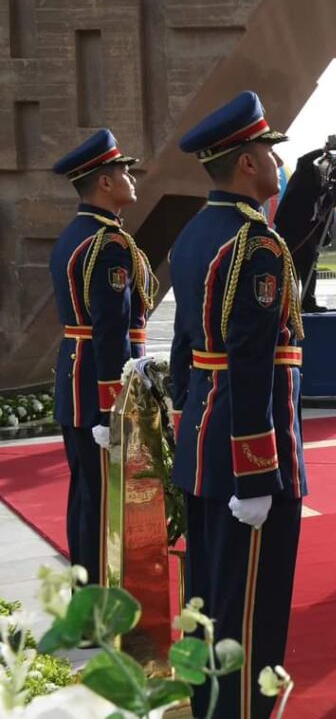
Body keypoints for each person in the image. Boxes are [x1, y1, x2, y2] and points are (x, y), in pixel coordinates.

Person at [170, 91, 306, 719]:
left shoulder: (194, 233)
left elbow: (183, 347)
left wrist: (181, 419)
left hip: (204, 437)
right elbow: (251, 361)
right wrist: (258, 473)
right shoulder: (255, 244)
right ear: (247, 162)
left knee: (208, 588)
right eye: (269, 152)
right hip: (244, 450)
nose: (277, 163)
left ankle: (206, 702)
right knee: (250, 600)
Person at [50, 129, 156, 587]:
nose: (132, 177)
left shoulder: (76, 233)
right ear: (104, 183)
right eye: (123, 171)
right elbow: (111, 330)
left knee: (87, 496)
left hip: (76, 376)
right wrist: (112, 406)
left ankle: (86, 596)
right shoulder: (108, 243)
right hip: (98, 384)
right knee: (102, 500)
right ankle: (98, 605)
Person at [273, 147, 331, 312]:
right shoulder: (307, 171)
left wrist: (325, 235)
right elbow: (302, 159)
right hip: (291, 227)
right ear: (322, 163)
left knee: (310, 266)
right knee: (289, 266)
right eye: (329, 166)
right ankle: (286, 306)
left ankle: (308, 302)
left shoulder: (329, 186)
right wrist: (322, 150)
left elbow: (327, 213)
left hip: (309, 230)